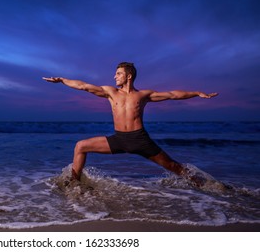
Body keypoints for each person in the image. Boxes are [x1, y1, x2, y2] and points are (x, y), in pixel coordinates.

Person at [43, 62, 218, 186]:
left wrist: (197, 93)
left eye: (118, 73)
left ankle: (206, 186)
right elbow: (83, 86)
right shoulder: (110, 92)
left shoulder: (143, 95)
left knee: (173, 166)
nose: (114, 76)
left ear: (128, 75)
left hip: (140, 140)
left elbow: (173, 94)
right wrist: (62, 80)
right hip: (119, 139)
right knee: (80, 146)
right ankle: (74, 184)